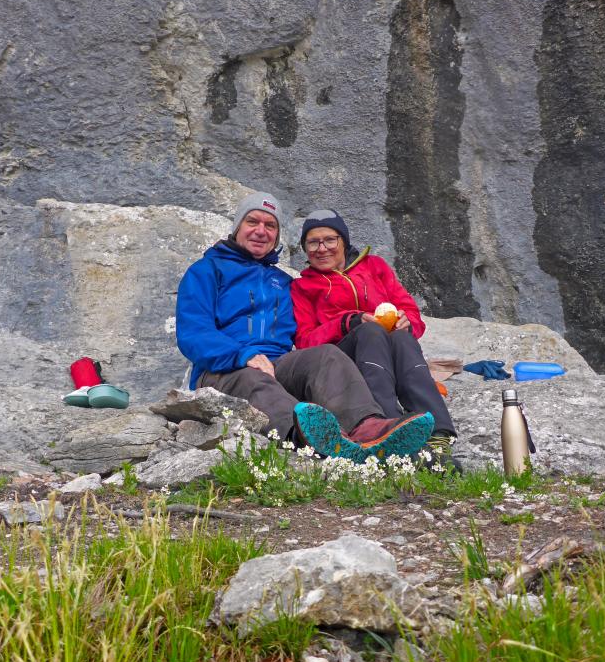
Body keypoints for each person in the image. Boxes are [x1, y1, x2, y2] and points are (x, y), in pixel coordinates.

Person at [175, 191, 434, 463]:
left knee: (326, 355)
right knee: (255, 379)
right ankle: (310, 439)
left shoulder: (283, 281)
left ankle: (368, 428)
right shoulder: (206, 270)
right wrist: (243, 356)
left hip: (277, 363)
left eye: (270, 225)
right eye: (253, 221)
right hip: (223, 368)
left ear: (277, 236)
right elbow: (194, 333)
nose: (261, 231)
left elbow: (309, 331)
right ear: (238, 226)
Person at [290, 208, 460, 468]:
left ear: (344, 241)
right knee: (369, 330)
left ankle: (438, 433)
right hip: (343, 359)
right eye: (312, 242)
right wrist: (349, 322)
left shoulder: (374, 267)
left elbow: (411, 311)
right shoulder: (303, 287)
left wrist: (407, 322)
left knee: (402, 338)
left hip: (387, 349)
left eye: (329, 239)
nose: (321, 248)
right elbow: (305, 341)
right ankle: (389, 425)